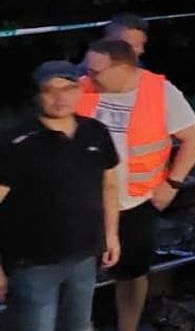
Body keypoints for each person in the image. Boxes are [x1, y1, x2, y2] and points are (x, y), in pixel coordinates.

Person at [79, 39, 195, 331]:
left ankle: (128, 327)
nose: (89, 76)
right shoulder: (83, 87)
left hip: (135, 201)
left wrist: (172, 184)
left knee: (132, 271)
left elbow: (194, 138)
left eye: (96, 71)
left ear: (123, 68)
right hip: (85, 201)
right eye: (87, 69)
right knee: (78, 275)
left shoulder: (160, 92)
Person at [0, 62, 121, 331]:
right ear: (37, 96)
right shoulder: (15, 142)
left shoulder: (95, 132)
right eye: (50, 90)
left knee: (78, 326)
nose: (60, 97)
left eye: (69, 88)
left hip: (84, 258)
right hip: (31, 265)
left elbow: (110, 186)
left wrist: (111, 235)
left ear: (79, 91)